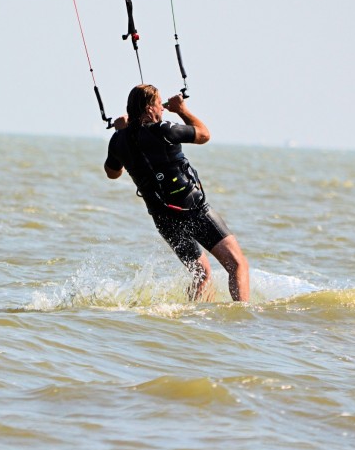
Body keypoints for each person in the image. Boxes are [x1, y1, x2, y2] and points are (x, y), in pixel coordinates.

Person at [104, 84, 249, 302]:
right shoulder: (164, 130)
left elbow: (112, 173)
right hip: (192, 209)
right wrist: (182, 109)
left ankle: (193, 321)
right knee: (237, 264)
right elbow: (204, 135)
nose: (162, 109)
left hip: (163, 217)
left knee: (201, 275)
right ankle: (243, 321)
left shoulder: (118, 140)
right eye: (159, 105)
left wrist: (120, 132)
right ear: (150, 108)